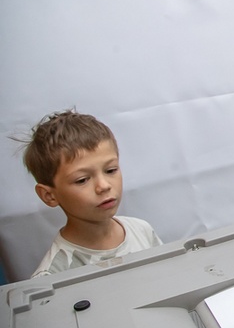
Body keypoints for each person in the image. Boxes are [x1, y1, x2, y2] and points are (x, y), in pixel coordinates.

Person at [20, 110, 163, 278]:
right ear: (49, 195)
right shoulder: (52, 277)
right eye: (82, 180)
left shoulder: (141, 230)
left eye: (111, 170)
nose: (103, 186)